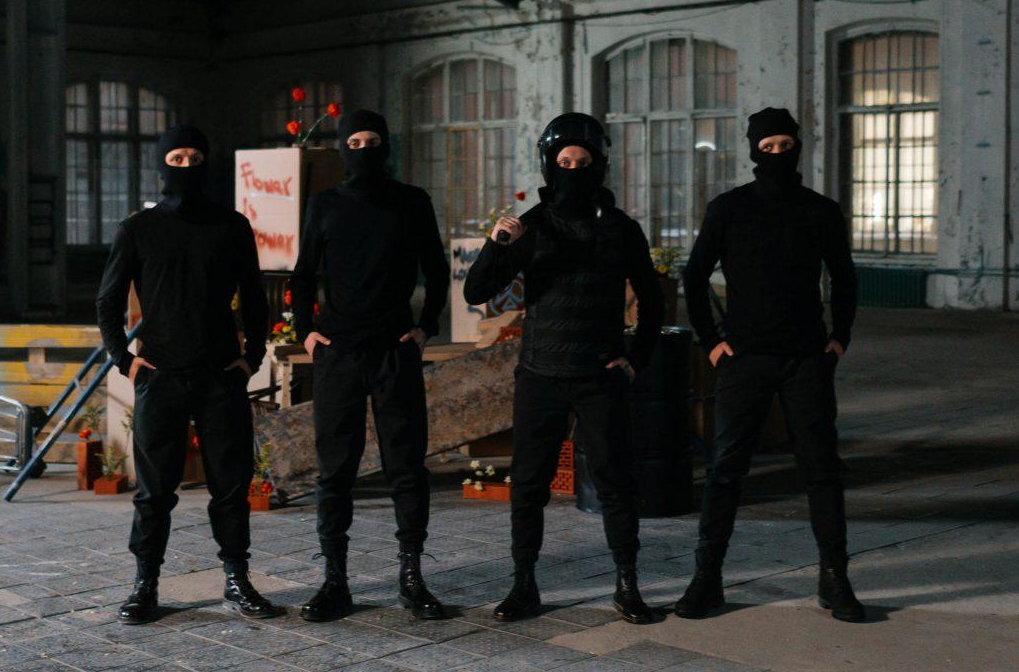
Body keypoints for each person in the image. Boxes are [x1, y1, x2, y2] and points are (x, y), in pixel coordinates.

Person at [463, 112, 664, 625]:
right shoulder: (529, 227)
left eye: (583, 161)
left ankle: (627, 584)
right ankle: (523, 583)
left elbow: (654, 299)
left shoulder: (621, 229)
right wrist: (496, 244)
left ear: (600, 164)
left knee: (616, 481)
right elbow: (476, 291)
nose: (573, 169)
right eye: (564, 162)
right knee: (529, 484)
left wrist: (636, 357)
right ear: (549, 166)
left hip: (599, 376)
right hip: (540, 375)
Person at [677, 107, 862, 621]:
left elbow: (844, 276)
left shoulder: (821, 211)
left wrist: (839, 338)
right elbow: (694, 275)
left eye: (785, 145)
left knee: (822, 470)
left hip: (806, 359)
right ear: (754, 150)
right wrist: (712, 342)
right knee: (725, 471)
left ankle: (835, 579)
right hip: (745, 360)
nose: (778, 153)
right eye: (768, 147)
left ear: (798, 146)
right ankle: (707, 579)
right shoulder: (729, 209)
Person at [95, 124, 280, 624]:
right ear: (161, 164)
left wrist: (253, 356)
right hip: (161, 377)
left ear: (207, 163)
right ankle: (145, 585)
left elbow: (255, 298)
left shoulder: (232, 226)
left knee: (231, 486)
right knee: (155, 492)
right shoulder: (138, 229)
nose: (186, 167)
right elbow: (108, 301)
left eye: (195, 158)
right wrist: (124, 360)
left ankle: (238, 579)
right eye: (176, 158)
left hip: (221, 376)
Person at [287, 109, 451, 622]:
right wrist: (305, 333)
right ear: (343, 148)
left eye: (372, 141)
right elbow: (302, 274)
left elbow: (437, 269)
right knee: (335, 470)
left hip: (393, 350)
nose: (363, 150)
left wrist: (426, 327)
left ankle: (412, 577)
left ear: (386, 146)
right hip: (337, 352)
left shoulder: (412, 201)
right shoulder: (325, 205)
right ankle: (334, 581)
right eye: (354, 142)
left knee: (407, 465)